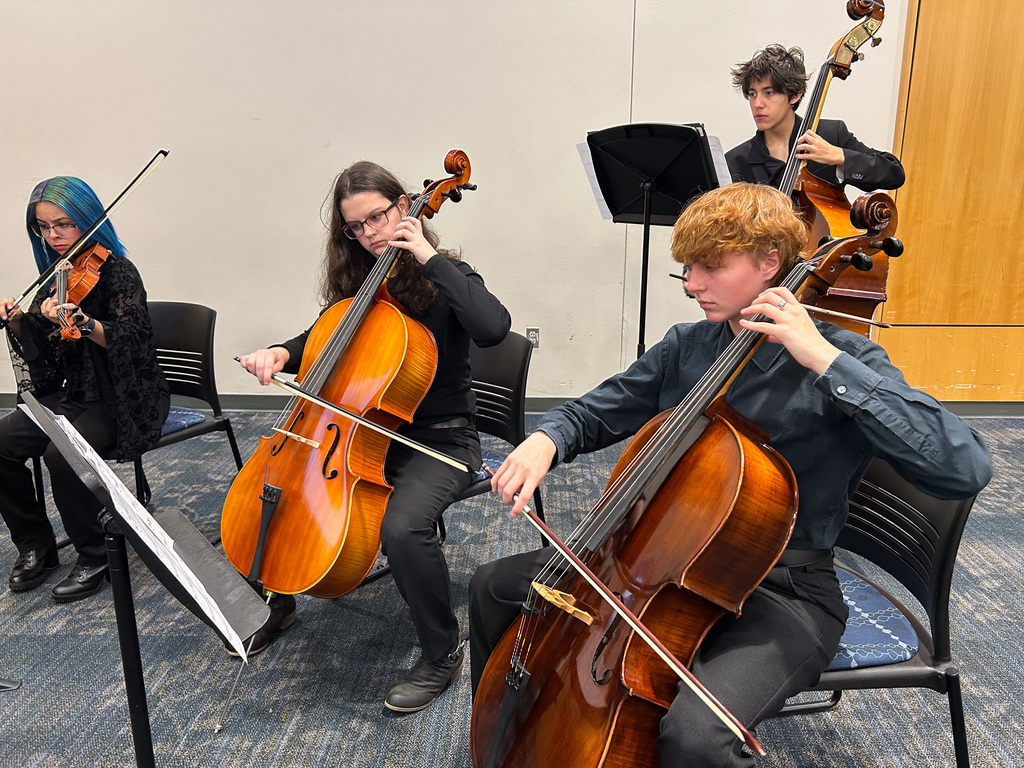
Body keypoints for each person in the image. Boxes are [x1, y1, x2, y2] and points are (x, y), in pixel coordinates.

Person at [468, 182, 990, 766]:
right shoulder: (691, 346)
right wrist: (547, 437)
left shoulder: (844, 358)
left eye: (711, 267)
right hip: (653, 559)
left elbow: (964, 466)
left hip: (783, 591)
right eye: (687, 269)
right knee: (493, 588)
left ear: (770, 262)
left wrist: (823, 360)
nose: (692, 285)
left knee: (696, 739)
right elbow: (598, 409)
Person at [237, 160, 511, 712]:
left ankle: (441, 653)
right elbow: (323, 335)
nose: (369, 234)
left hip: (439, 441)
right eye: (355, 227)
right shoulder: (357, 282)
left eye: (377, 218)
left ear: (405, 207)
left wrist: (430, 260)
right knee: (282, 488)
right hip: (360, 434)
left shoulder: (446, 275)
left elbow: (493, 327)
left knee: (404, 528)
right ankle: (277, 600)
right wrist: (280, 352)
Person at [0, 176, 169, 603]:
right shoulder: (58, 274)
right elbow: (48, 361)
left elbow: (132, 341)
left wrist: (85, 323)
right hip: (71, 393)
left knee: (63, 454)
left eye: (64, 224)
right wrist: (20, 321)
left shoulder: (118, 272)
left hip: (121, 398)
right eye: (43, 227)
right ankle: (35, 545)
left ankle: (95, 554)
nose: (53, 236)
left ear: (88, 220)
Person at [725, 44, 906, 192]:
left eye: (769, 93)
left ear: (795, 95)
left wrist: (839, 156)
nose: (757, 104)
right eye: (752, 94)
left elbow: (894, 173)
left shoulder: (829, 134)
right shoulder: (734, 161)